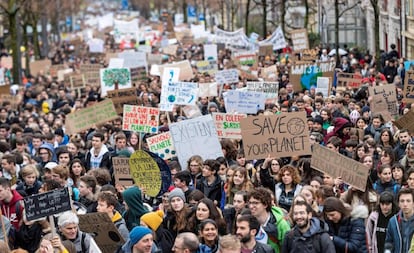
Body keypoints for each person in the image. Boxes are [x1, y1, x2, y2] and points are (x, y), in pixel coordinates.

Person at [248, 187, 290, 253]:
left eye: (255, 203)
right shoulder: (247, 221)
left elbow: (288, 248)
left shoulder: (281, 224)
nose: (251, 206)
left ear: (265, 205)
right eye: (250, 203)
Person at [385, 188, 414, 253]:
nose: (405, 204)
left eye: (408, 201)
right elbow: (388, 243)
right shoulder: (393, 222)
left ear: (413, 203)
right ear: (398, 204)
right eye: (402, 201)